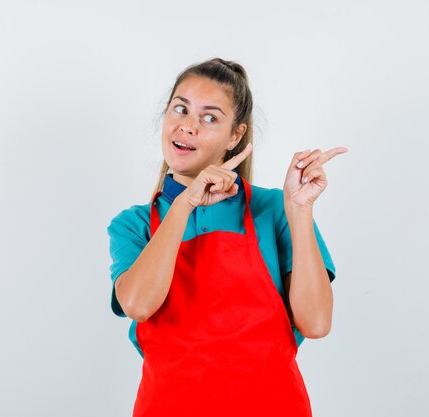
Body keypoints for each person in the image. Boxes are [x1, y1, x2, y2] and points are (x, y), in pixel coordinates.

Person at [107, 57, 348, 416]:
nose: (188, 126)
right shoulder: (135, 225)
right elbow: (139, 305)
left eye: (209, 117)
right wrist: (184, 204)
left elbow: (315, 323)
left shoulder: (274, 209)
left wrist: (298, 211)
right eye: (180, 109)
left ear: (235, 135)